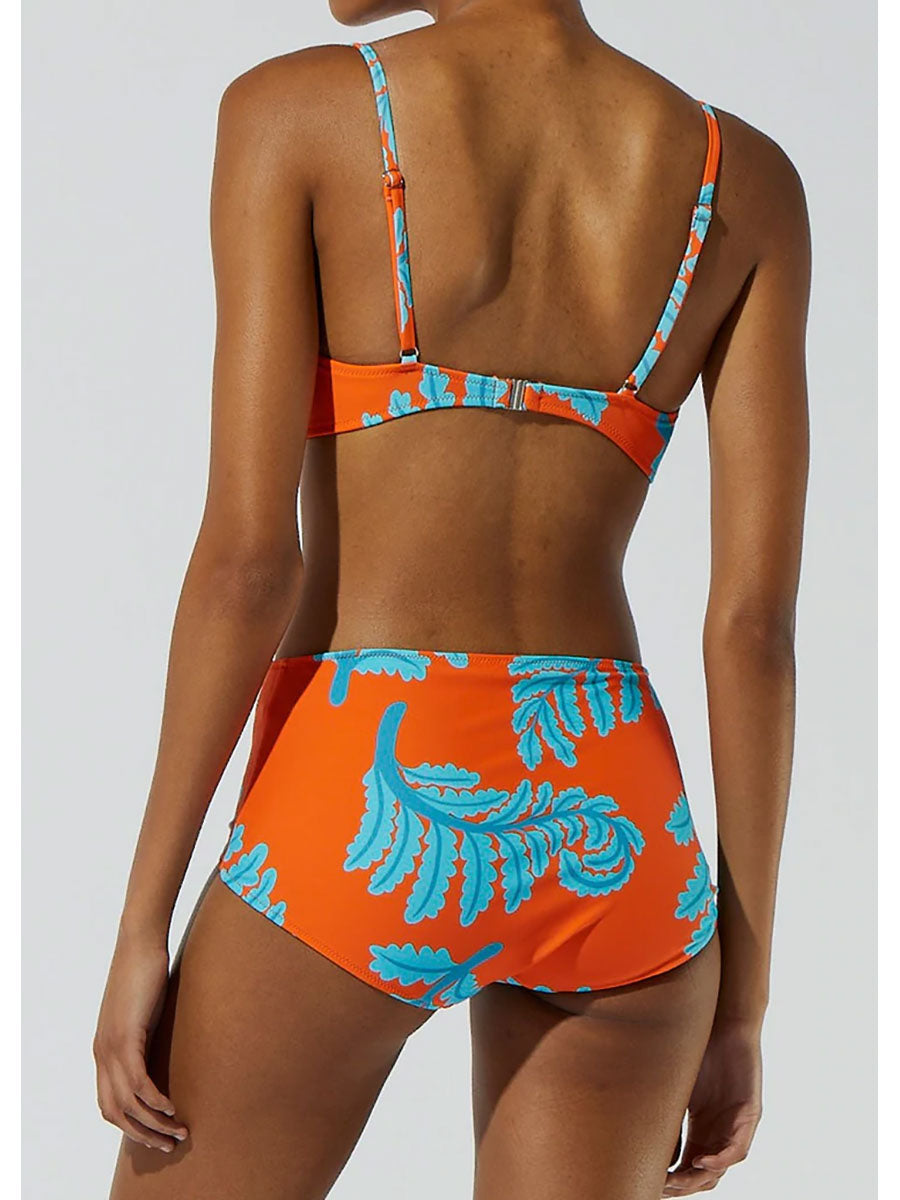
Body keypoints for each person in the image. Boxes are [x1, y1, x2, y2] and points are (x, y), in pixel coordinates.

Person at [94, 1, 810, 1196]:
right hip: (616, 818)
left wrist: (140, 922)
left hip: (370, 790)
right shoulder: (748, 180)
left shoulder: (297, 111)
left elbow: (248, 564)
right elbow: (755, 632)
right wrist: (743, 998)